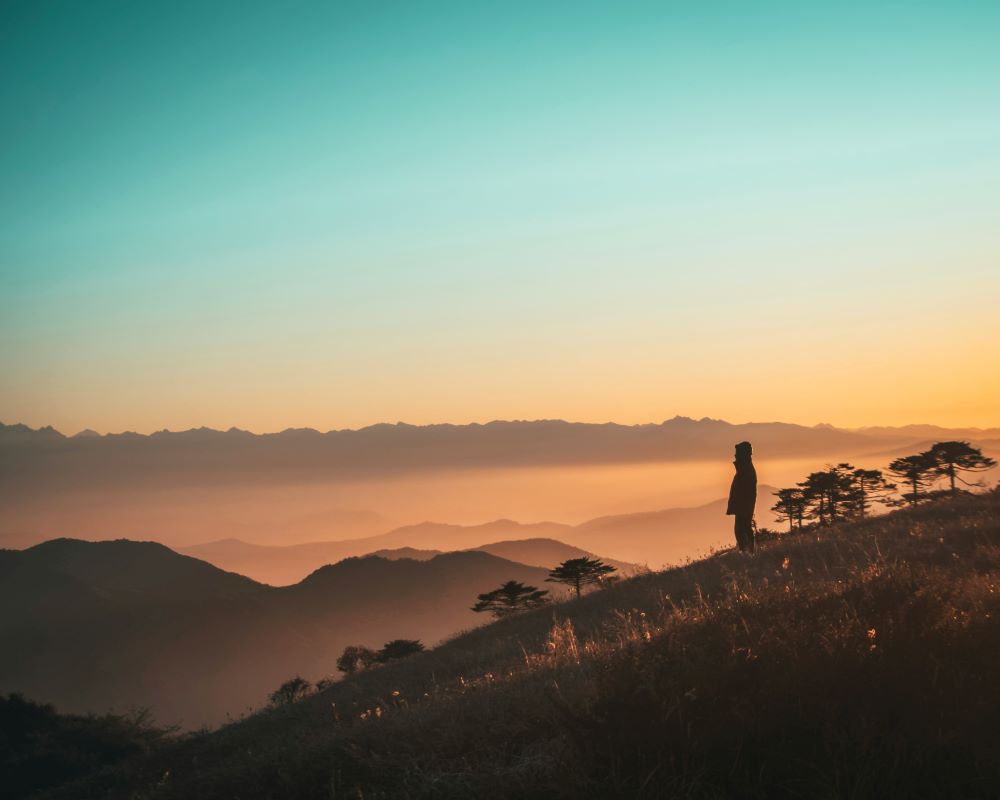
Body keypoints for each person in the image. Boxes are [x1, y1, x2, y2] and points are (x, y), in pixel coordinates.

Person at [726, 441, 757, 552]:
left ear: (743, 454)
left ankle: (748, 553)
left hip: (743, 508)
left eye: (737, 453)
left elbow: (746, 494)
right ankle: (747, 552)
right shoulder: (744, 469)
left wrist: (741, 508)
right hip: (742, 508)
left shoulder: (746, 471)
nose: (735, 455)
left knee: (742, 530)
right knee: (742, 530)